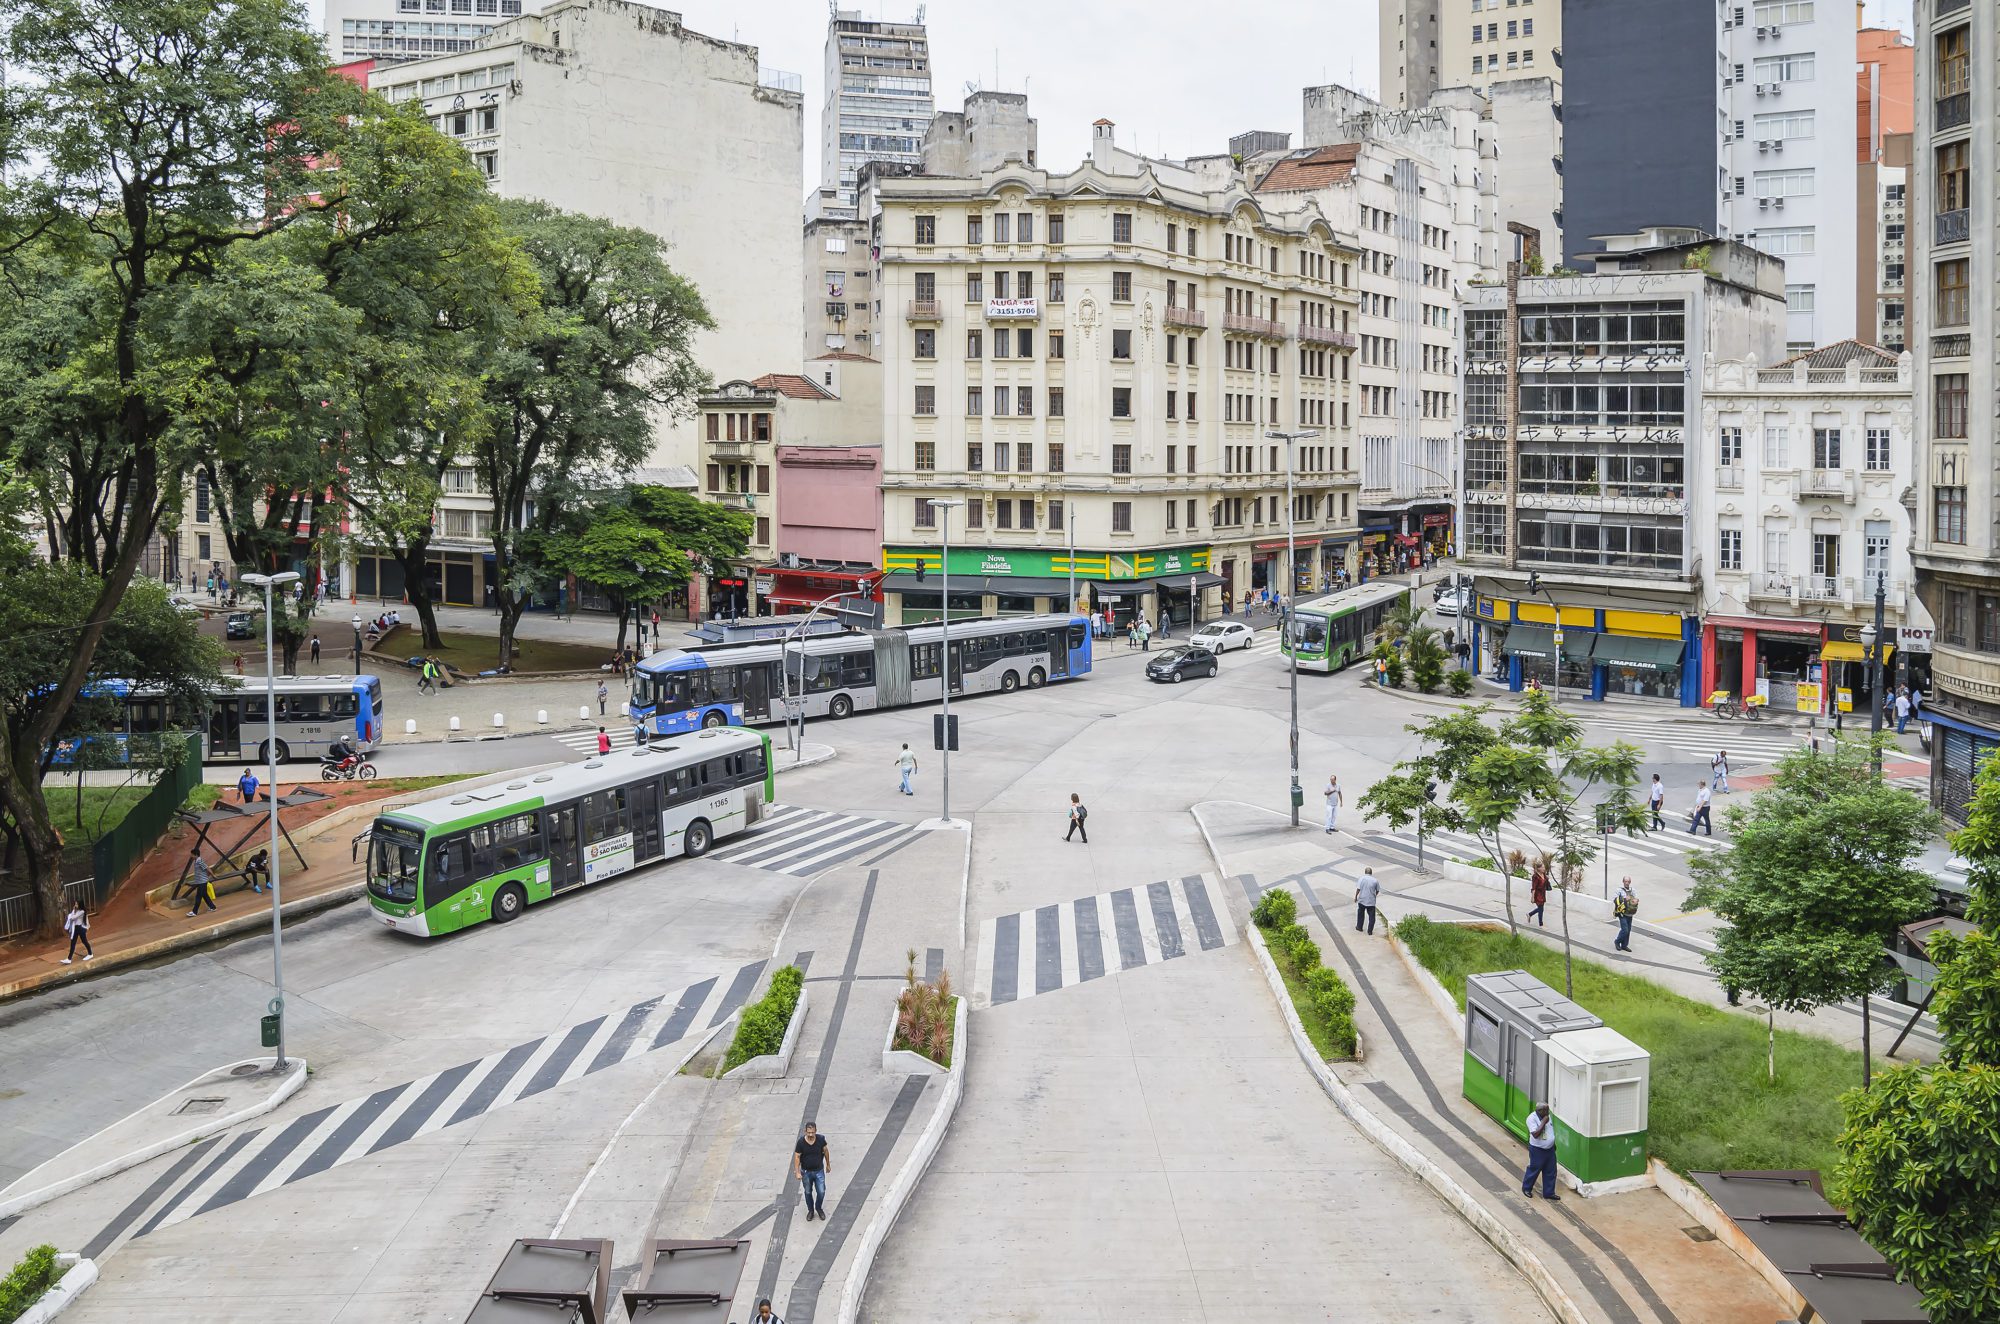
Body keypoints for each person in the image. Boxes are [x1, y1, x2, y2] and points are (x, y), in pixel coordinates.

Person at [1521, 1102, 1560, 1200]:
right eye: (1546, 1110)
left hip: (1549, 1150)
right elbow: (1535, 1134)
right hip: (1537, 1150)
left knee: (1551, 1171)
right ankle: (1526, 1188)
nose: (1548, 1111)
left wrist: (1552, 1144)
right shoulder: (1531, 1119)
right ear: (1540, 1111)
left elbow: (1550, 1130)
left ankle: (1549, 1192)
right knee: (1534, 1169)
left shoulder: (1547, 1116)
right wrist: (1543, 1122)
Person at [794, 1122, 830, 1222]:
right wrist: (797, 1172)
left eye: (812, 1132)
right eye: (808, 1132)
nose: (810, 1135)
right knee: (808, 1192)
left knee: (821, 1191)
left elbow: (826, 1151)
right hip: (806, 1172)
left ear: (815, 1131)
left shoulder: (821, 1139)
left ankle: (818, 1208)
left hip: (819, 1171)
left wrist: (828, 1164)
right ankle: (811, 1210)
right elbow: (797, 1156)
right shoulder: (801, 1142)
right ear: (805, 1131)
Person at [1612, 878, 1638, 952]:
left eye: (1628, 881)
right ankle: (1617, 941)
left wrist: (1635, 900)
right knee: (1625, 930)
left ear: (1630, 882)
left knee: (1628, 930)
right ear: (1623, 882)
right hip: (1622, 913)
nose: (1627, 883)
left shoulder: (1633, 890)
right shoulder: (1619, 890)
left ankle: (1624, 945)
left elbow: (1636, 899)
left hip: (1630, 913)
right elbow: (1614, 900)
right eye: (1625, 881)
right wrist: (1624, 899)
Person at [1355, 866, 1381, 934]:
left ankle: (1359, 927)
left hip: (1362, 900)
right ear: (1371, 873)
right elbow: (1377, 890)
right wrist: (1373, 895)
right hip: (1371, 901)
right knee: (1372, 917)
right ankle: (1370, 931)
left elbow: (1358, 889)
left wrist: (1356, 897)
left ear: (1365, 872)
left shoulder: (1361, 879)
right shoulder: (1375, 880)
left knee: (1360, 914)